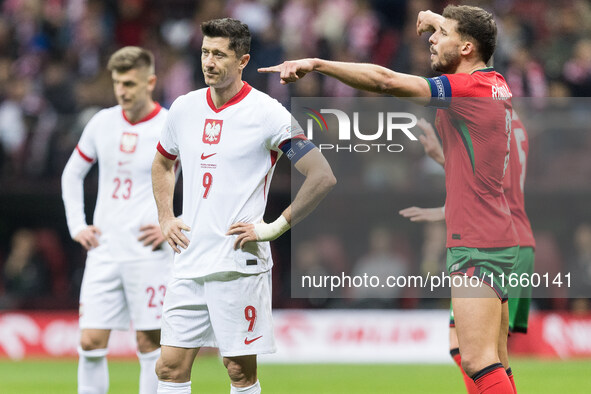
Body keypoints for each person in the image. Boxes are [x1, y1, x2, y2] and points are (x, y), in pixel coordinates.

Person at [261, 5, 518, 393]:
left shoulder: (466, 89)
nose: (432, 39)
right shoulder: (495, 81)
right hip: (494, 232)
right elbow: (479, 41)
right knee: (480, 354)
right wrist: (436, 19)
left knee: (478, 359)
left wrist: (316, 63)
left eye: (442, 35)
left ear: (466, 47)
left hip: (479, 240)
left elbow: (384, 81)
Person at [151, 18, 336, 394]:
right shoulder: (184, 109)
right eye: (205, 52)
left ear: (243, 61)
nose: (209, 61)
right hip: (189, 258)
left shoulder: (267, 113)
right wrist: (166, 216)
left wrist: (273, 227)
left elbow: (321, 175)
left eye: (219, 54)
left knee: (238, 371)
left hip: (238, 262)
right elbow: (161, 162)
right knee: (169, 368)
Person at [62, 46, 173, 394]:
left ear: (150, 82)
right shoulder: (102, 122)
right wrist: (77, 225)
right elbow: (72, 174)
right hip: (105, 248)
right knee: (91, 341)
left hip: (149, 250)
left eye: (129, 83)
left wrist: (174, 222)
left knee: (149, 343)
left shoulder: (170, 124)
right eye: (116, 83)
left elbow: (208, 181)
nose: (122, 91)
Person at [400, 113, 536, 393]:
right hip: (513, 239)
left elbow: (494, 188)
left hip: (496, 241)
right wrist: (442, 157)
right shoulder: (514, 123)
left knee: (475, 353)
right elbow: (486, 180)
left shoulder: (492, 121)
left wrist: (442, 211)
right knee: (481, 351)